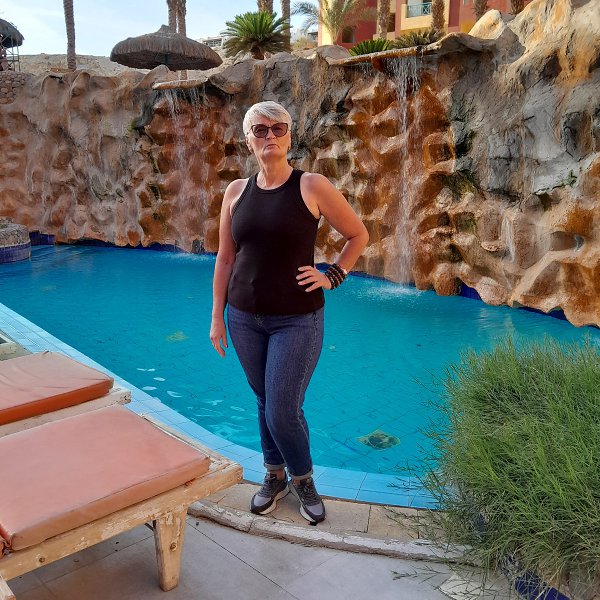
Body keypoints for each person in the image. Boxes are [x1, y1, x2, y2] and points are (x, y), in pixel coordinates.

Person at [210, 101, 369, 523]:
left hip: (297, 319)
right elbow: (225, 259)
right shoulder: (235, 192)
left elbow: (358, 235)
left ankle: (303, 479)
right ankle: (274, 475)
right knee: (265, 400)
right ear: (248, 141)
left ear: (289, 136)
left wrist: (333, 276)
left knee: (282, 408)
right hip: (243, 318)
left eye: (278, 128)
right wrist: (216, 316)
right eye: (260, 130)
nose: (270, 136)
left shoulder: (311, 186)